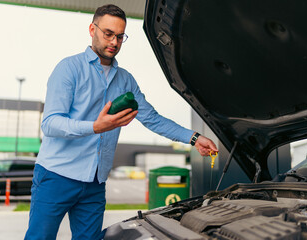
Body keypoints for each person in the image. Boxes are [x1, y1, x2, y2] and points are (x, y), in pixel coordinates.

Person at [24, 4, 218, 240]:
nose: (114, 42)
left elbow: (152, 119)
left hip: (95, 183)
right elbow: (51, 124)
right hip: (56, 176)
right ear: (92, 29)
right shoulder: (69, 69)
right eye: (108, 34)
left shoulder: (125, 80)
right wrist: (95, 127)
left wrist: (194, 137)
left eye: (120, 36)